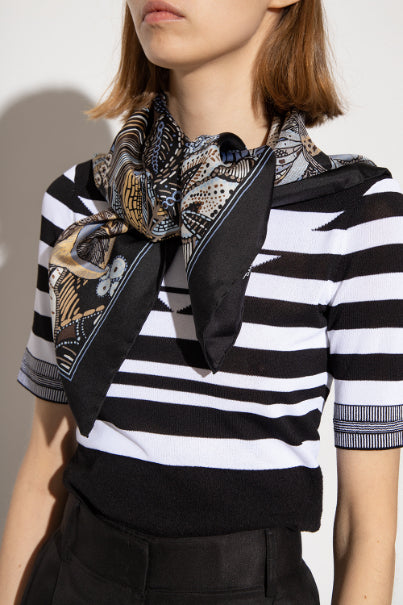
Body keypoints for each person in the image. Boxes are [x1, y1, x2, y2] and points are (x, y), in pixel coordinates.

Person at [0, 0, 401, 603]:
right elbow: (46, 460)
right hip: (76, 580)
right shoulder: (80, 203)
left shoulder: (354, 215)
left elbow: (366, 526)